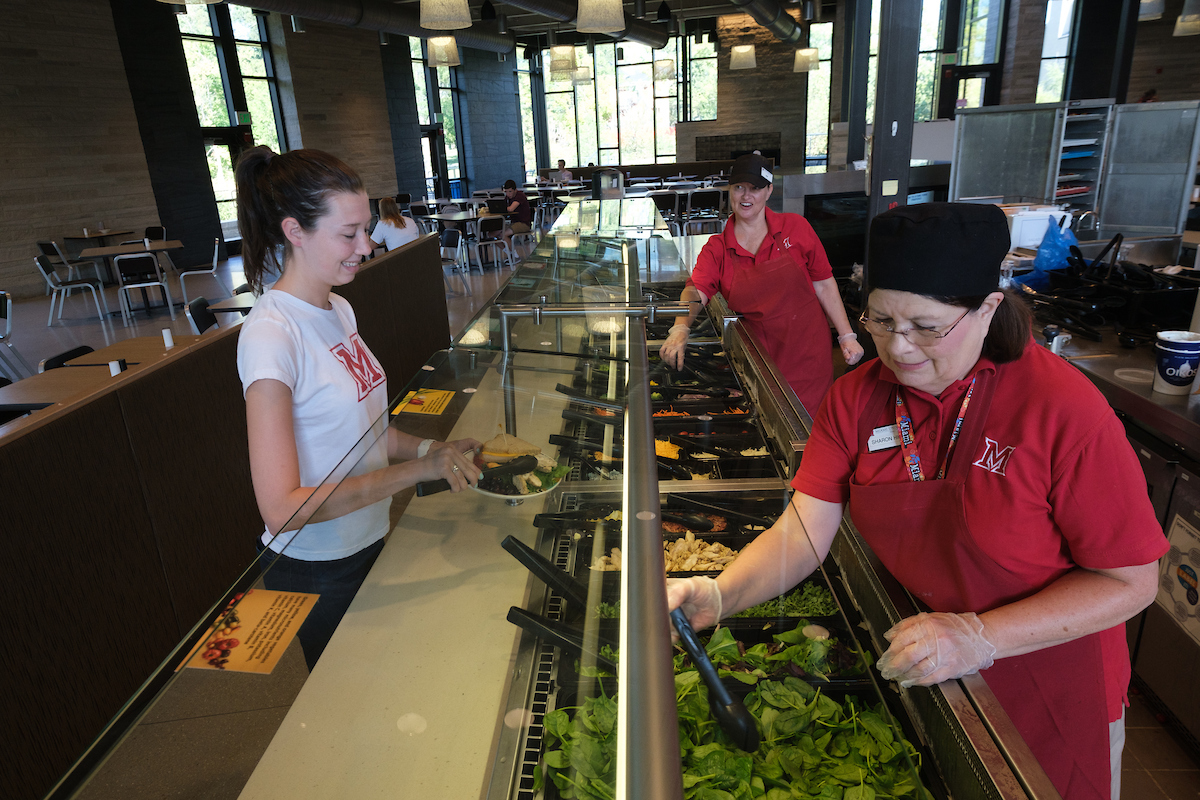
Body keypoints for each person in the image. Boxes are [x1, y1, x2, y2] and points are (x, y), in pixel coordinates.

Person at [668, 203, 1168, 800]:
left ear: (988, 309)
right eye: (880, 320)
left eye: (927, 327)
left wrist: (980, 637)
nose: (899, 348)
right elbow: (804, 530)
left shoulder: (1064, 410)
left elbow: (1130, 581)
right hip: (926, 662)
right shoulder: (855, 398)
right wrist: (723, 593)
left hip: (1049, 678)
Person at [235, 146, 482, 669]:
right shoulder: (270, 336)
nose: (365, 246)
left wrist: (432, 449)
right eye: (348, 234)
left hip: (370, 536)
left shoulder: (338, 307)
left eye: (365, 229)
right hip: (318, 567)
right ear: (294, 231)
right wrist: (418, 471)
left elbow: (368, 430)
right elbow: (282, 510)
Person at [659, 152, 864, 416]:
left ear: (769, 191)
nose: (746, 196)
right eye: (739, 187)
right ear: (730, 191)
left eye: (755, 188)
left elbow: (823, 283)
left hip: (809, 357)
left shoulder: (796, 228)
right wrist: (679, 328)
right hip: (759, 360)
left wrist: (846, 336)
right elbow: (695, 290)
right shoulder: (717, 249)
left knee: (813, 429)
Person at [500, 178, 533, 254]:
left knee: (503, 235)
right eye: (506, 192)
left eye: (510, 191)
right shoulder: (508, 198)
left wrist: (501, 208)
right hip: (513, 223)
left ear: (515, 190)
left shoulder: (520, 195)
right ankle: (509, 253)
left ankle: (514, 255)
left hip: (524, 224)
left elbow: (511, 208)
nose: (508, 194)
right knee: (492, 234)